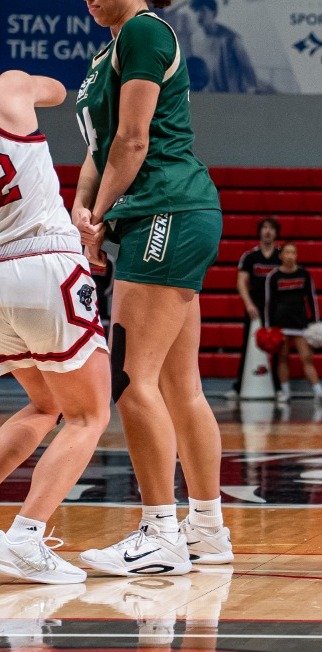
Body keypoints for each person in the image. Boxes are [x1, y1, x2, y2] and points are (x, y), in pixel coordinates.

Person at [71, 0, 232, 576]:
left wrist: (99, 213)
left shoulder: (143, 31)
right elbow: (101, 149)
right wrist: (83, 217)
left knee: (129, 378)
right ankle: (207, 529)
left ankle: (160, 531)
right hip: (160, 213)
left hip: (167, 208)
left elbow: (134, 142)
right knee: (177, 384)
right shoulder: (106, 52)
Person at [0, 71, 111, 585]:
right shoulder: (10, 88)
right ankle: (25, 537)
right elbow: (62, 91)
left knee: (46, 404)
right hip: (46, 263)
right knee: (89, 415)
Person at [264, 242, 322, 404]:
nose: (290, 256)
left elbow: (312, 299)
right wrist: (269, 326)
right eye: (287, 253)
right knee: (282, 358)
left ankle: (319, 392)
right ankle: (285, 392)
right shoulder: (273, 276)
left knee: (307, 358)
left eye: (293, 253)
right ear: (281, 255)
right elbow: (269, 303)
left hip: (300, 323)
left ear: (297, 255)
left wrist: (315, 322)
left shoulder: (304, 274)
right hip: (281, 324)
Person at [226, 216, 281, 400]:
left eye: (271, 228)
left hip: (275, 308)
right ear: (259, 232)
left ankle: (279, 387)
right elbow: (241, 282)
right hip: (255, 308)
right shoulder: (250, 257)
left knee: (278, 348)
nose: (267, 231)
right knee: (247, 346)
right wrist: (248, 304)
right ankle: (238, 386)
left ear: (276, 232)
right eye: (264, 227)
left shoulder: (281, 256)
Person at [187, 0, 268, 93]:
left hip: (231, 96)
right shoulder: (194, 39)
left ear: (213, 12)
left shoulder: (231, 38)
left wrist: (253, 88)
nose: (198, 15)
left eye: (202, 10)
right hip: (209, 95)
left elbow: (246, 66)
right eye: (195, 11)